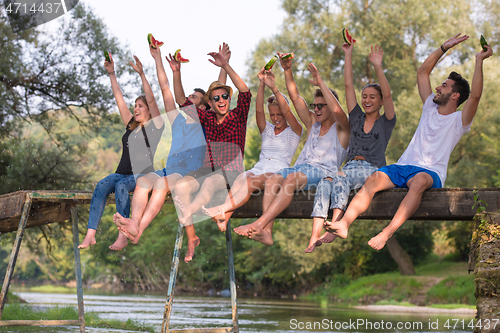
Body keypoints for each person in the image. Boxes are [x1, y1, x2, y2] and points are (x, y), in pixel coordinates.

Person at [327, 33, 493, 250]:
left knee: (418, 182)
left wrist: (479, 61)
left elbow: (476, 96)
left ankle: (387, 233)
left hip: (429, 172)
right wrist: (444, 47)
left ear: (455, 96)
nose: (438, 87)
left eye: (444, 86)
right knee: (374, 179)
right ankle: (344, 224)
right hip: (403, 166)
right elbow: (422, 72)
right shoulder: (429, 107)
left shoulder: (459, 120)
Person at [233, 55, 350, 246]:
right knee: (273, 178)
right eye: (315, 106)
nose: (317, 109)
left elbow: (338, 112)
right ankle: (267, 232)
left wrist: (320, 82)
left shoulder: (343, 128)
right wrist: (286, 71)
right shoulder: (313, 123)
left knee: (291, 179)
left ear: (331, 105)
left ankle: (260, 223)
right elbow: (294, 98)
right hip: (301, 168)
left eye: (322, 106)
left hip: (323, 173)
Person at [112, 44, 207, 249]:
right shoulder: (177, 121)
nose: (189, 98)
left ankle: (139, 228)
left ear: (203, 107)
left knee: (162, 184)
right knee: (144, 181)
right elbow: (165, 90)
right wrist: (158, 58)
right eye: (189, 95)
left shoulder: (204, 123)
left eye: (194, 97)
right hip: (168, 169)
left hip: (188, 173)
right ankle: (134, 225)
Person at [306, 43, 396, 253]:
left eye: (373, 97)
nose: (367, 100)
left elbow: (389, 95)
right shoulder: (355, 117)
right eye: (365, 97)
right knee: (325, 183)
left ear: (381, 101)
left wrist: (378, 67)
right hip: (349, 168)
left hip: (372, 169)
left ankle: (337, 225)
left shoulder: (387, 121)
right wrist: (348, 54)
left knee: (338, 177)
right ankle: (313, 235)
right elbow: (348, 86)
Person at [172, 50, 252, 262]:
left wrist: (226, 66)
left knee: (212, 181)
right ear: (211, 103)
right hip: (208, 169)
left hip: (231, 172)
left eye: (225, 96)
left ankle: (188, 210)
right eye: (216, 98)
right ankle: (192, 237)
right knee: (180, 186)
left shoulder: (238, 115)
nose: (221, 100)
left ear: (229, 98)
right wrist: (176, 72)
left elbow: (245, 91)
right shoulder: (206, 118)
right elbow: (181, 100)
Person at [78, 53, 164, 249]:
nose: (136, 108)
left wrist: (142, 74)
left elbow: (151, 100)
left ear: (150, 110)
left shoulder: (156, 127)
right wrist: (111, 74)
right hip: (121, 172)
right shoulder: (130, 126)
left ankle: (123, 235)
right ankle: (91, 234)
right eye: (135, 105)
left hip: (141, 175)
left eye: (141, 106)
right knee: (101, 186)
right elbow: (119, 99)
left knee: (122, 187)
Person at [201, 66, 303, 232]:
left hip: (278, 170)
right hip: (260, 167)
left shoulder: (295, 130)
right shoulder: (268, 129)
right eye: (273, 115)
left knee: (249, 182)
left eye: (279, 115)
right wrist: (262, 84)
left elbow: (288, 111)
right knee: (242, 177)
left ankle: (221, 208)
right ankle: (224, 219)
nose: (276, 118)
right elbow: (259, 111)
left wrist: (273, 87)